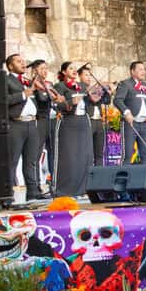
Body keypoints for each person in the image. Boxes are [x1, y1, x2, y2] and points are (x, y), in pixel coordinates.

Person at [5, 54, 45, 201]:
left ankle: (33, 192)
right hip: (16, 123)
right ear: (10, 66)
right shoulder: (6, 80)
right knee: (13, 160)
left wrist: (41, 90)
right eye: (19, 61)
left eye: (24, 61)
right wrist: (23, 94)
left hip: (32, 123)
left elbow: (40, 101)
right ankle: (7, 195)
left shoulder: (28, 81)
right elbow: (3, 99)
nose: (23, 64)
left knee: (32, 160)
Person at [52, 61, 92, 197]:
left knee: (84, 155)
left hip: (83, 122)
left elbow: (92, 102)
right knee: (69, 157)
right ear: (64, 72)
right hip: (68, 122)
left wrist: (99, 94)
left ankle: (84, 188)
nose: (74, 70)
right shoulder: (59, 86)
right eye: (71, 68)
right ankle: (65, 190)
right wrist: (71, 102)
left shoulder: (82, 86)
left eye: (75, 68)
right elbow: (58, 106)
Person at [113, 60, 146, 169]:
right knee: (128, 154)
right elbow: (117, 100)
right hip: (130, 124)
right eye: (140, 69)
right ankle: (123, 183)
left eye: (144, 69)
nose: (143, 71)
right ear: (132, 71)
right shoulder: (126, 84)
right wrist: (126, 112)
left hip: (145, 124)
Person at [30, 59, 58, 188]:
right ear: (35, 70)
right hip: (40, 119)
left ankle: (54, 182)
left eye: (46, 68)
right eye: (42, 68)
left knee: (53, 152)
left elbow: (56, 100)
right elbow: (42, 99)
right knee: (37, 152)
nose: (45, 71)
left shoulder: (49, 84)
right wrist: (48, 93)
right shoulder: (33, 84)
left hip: (51, 119)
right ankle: (36, 183)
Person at [78, 65, 111, 167]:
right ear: (79, 76)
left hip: (99, 122)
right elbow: (92, 99)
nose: (88, 77)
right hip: (88, 121)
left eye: (90, 75)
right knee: (87, 151)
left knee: (99, 151)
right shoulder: (79, 88)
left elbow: (107, 101)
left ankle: (99, 174)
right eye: (86, 75)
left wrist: (105, 90)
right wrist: (91, 92)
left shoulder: (95, 89)